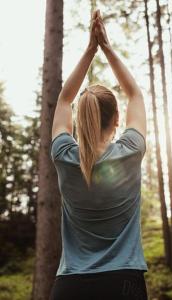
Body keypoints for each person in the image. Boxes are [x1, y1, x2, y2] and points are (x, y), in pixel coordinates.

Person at [49, 9, 148, 300]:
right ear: (117, 119)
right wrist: (106, 46)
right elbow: (136, 95)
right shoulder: (130, 151)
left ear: (80, 120)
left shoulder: (64, 156)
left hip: (69, 286)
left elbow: (64, 98)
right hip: (123, 282)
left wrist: (89, 50)